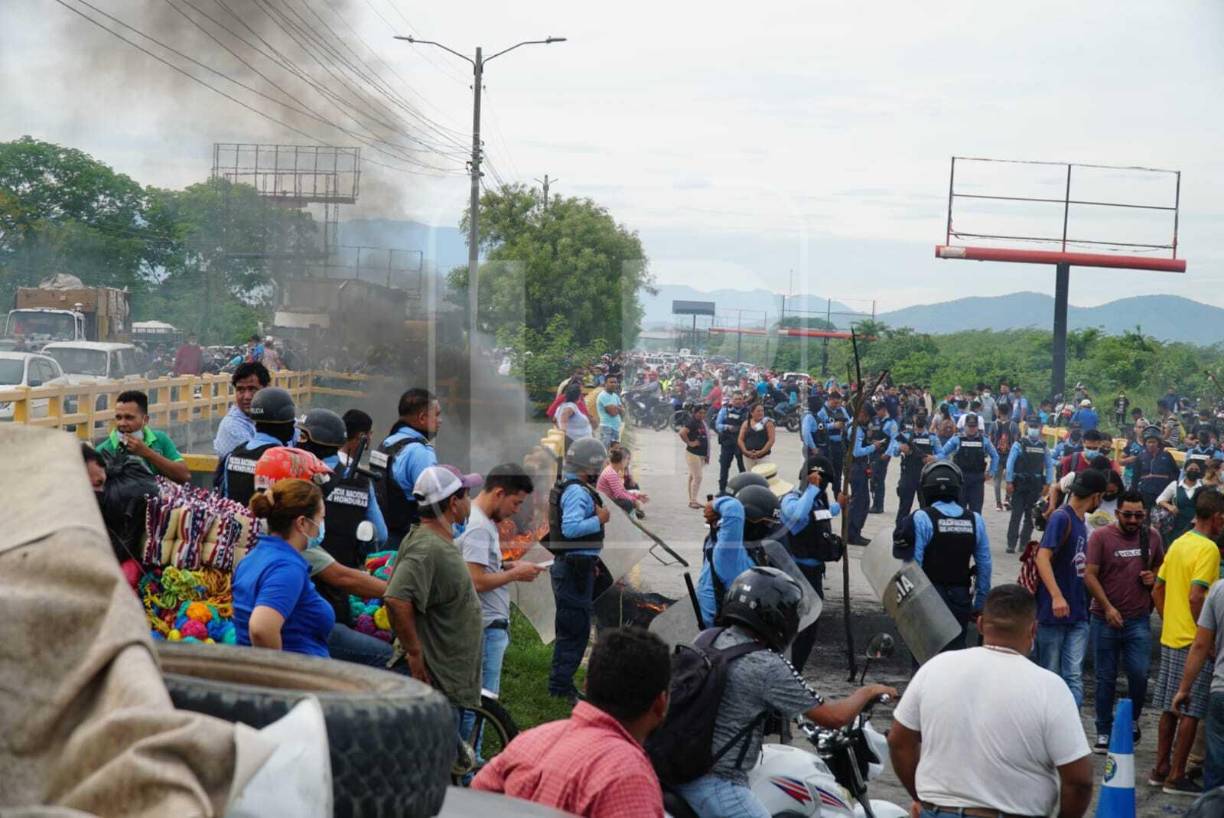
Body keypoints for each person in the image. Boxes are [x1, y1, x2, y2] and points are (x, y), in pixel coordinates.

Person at [674, 567, 897, 817]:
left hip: (675, 769)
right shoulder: (765, 664)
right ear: (777, 617)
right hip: (717, 781)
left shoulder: (707, 639)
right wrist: (869, 691)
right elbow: (834, 717)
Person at [887, 585, 1094, 818]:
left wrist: (921, 798)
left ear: (981, 624)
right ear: (1033, 629)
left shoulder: (936, 667)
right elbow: (1079, 781)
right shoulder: (1050, 687)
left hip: (939, 811)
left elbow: (898, 741)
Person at [472, 627, 670, 817]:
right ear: (660, 704)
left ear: (586, 684)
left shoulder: (530, 740)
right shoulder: (628, 777)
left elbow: (470, 802)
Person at [384, 465, 484, 719]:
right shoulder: (428, 547)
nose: (470, 501)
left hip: (448, 680)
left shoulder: (436, 541)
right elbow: (396, 598)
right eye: (467, 494)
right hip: (437, 682)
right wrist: (415, 652)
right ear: (453, 502)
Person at [459, 465, 546, 726]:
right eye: (516, 502)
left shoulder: (482, 522)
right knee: (481, 706)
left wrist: (509, 567)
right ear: (499, 493)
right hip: (485, 628)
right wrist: (515, 575)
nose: (516, 510)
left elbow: (480, 568)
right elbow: (476, 581)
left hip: (487, 626)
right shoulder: (479, 528)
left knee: (480, 704)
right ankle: (470, 763)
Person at [1149, 488, 1224, 794]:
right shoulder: (1208, 550)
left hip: (1171, 636)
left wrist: (1171, 619)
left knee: (1169, 707)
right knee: (1192, 710)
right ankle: (1176, 775)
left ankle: (1160, 767)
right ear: (1217, 517)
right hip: (1193, 641)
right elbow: (1197, 597)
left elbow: (1157, 588)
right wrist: (1204, 633)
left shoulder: (1179, 542)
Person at [1083, 489, 1164, 753]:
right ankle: (1104, 730)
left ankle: (1130, 721)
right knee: (1105, 678)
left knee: (1139, 675)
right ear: (1117, 513)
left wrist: (1153, 577)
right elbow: (1090, 576)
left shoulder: (1151, 537)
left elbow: (1159, 567)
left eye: (1138, 515)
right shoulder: (1101, 537)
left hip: (1138, 620)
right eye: (1127, 515)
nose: (1132, 520)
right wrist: (1107, 607)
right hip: (1104, 619)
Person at [894, 461, 991, 651]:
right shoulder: (975, 520)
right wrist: (980, 604)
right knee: (955, 656)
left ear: (926, 489)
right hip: (961, 597)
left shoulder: (921, 518)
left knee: (924, 656)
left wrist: (904, 606)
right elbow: (985, 566)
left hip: (928, 599)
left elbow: (913, 566)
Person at [234, 478, 335, 656]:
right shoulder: (287, 568)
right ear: (302, 523)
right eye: (321, 518)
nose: (321, 526)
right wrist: (277, 674)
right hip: (299, 677)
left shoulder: (254, 556)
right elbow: (261, 628)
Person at [1034, 468, 1105, 708]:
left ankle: (1068, 732)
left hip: (1078, 612)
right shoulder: (1061, 518)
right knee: (1050, 675)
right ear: (1096, 496)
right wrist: (1056, 597)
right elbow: (1042, 558)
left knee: (1073, 676)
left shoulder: (1080, 521)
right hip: (1054, 613)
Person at [547, 437, 611, 702]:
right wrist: (600, 519)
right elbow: (571, 529)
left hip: (578, 568)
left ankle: (562, 683)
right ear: (590, 465)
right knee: (574, 630)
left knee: (574, 627)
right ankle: (560, 688)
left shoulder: (573, 486)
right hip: (572, 572)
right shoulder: (575, 491)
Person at [780, 454, 846, 671]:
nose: (821, 485)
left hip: (815, 574)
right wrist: (810, 489)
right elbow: (798, 517)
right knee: (797, 630)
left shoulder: (818, 499)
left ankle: (796, 671)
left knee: (810, 631)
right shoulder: (792, 499)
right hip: (798, 575)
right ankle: (789, 671)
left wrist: (838, 506)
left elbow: (820, 515)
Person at [1172, 567, 1224, 792]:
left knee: (1216, 766)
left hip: (1221, 690)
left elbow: (1201, 645)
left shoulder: (1218, 590)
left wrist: (1184, 688)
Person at [373, 388, 441, 545]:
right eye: (436, 415)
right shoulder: (420, 452)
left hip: (380, 538)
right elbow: (434, 503)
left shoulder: (386, 444)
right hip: (408, 543)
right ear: (423, 418)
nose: (440, 420)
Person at [219, 386, 297, 506]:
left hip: (238, 522)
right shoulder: (287, 460)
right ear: (285, 424)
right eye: (291, 422)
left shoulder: (232, 455)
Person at [94, 389, 190, 484]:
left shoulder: (160, 439)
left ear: (145, 420)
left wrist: (147, 453)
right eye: (118, 418)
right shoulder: (103, 450)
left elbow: (184, 476)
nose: (122, 423)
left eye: (129, 417)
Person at [1003, 416, 1054, 553]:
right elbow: (1010, 463)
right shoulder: (1019, 444)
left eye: (1036, 426)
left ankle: (1024, 543)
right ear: (1026, 427)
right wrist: (1009, 481)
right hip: (1020, 484)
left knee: (1031, 516)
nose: (1034, 429)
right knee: (1016, 514)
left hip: (1035, 485)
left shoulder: (1043, 446)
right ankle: (1011, 543)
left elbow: (1049, 466)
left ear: (1040, 428)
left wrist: (1048, 484)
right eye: (1031, 426)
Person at [213, 361, 271, 457]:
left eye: (252, 389)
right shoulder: (232, 426)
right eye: (240, 390)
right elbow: (260, 460)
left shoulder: (273, 416)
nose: (247, 396)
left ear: (267, 389)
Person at [945, 414, 998, 514]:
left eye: (974, 426)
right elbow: (943, 453)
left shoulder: (985, 441)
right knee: (959, 511)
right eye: (969, 426)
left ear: (977, 427)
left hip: (977, 480)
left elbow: (995, 456)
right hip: (960, 479)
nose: (972, 429)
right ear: (965, 426)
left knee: (976, 512)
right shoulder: (956, 439)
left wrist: (991, 472)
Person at [847, 409, 886, 546]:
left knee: (861, 502)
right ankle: (852, 534)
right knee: (860, 502)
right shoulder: (856, 430)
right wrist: (873, 447)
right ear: (862, 414)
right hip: (856, 467)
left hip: (857, 467)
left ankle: (853, 533)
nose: (868, 420)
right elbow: (856, 452)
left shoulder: (853, 426)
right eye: (868, 416)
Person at [894, 425, 935, 526]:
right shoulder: (907, 435)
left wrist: (933, 458)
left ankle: (927, 529)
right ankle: (900, 530)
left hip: (925, 475)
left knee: (926, 507)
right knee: (904, 507)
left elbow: (943, 453)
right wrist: (901, 448)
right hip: (908, 475)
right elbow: (894, 451)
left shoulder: (932, 437)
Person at [1158, 458, 1208, 542]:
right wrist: (1169, 506)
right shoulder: (1175, 485)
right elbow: (1160, 500)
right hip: (1177, 526)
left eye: (1196, 469)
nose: (1194, 471)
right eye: (1191, 469)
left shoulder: (1204, 487)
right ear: (1185, 470)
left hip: (1197, 527)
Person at [1133, 426, 1179, 509]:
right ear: (1145, 443)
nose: (1151, 444)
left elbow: (1176, 473)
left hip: (1163, 493)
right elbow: (1135, 476)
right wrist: (1133, 492)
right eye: (1149, 442)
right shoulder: (1140, 457)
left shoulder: (1167, 456)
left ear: (1158, 442)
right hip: (1146, 492)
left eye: (1153, 442)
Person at [596, 447, 649, 516]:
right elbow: (619, 494)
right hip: (604, 503)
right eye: (627, 459)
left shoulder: (613, 470)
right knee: (628, 503)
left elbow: (622, 491)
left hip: (608, 500)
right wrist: (634, 500)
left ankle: (635, 514)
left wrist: (637, 496)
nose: (628, 462)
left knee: (631, 498)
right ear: (622, 460)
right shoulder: (611, 473)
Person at [868, 401, 899, 514]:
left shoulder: (891, 423)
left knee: (879, 479)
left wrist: (888, 453)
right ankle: (875, 503)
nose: (877, 412)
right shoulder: (875, 421)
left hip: (882, 455)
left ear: (884, 409)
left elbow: (894, 439)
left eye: (878, 410)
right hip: (873, 453)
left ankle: (878, 505)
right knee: (873, 479)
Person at [715, 391, 748, 494]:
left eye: (740, 399)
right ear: (731, 400)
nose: (738, 401)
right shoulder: (725, 410)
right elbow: (717, 425)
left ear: (743, 400)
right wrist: (727, 427)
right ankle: (722, 490)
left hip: (741, 444)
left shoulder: (747, 412)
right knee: (724, 467)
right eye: (736, 399)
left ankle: (744, 490)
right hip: (727, 443)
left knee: (743, 469)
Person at [680, 404, 710, 509]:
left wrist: (707, 454)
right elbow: (682, 433)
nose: (702, 415)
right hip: (693, 453)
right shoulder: (692, 422)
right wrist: (690, 443)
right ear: (695, 413)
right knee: (698, 477)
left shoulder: (702, 423)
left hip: (701, 454)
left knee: (693, 476)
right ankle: (693, 501)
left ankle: (692, 499)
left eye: (703, 413)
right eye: (700, 413)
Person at [556, 381, 594, 449]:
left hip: (580, 442)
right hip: (577, 444)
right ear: (579, 395)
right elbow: (564, 415)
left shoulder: (561, 407)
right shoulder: (571, 406)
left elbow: (554, 419)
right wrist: (563, 430)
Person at [737, 402, 775, 468]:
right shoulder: (746, 423)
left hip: (763, 457)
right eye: (758, 411)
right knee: (751, 476)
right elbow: (740, 439)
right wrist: (745, 451)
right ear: (752, 413)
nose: (761, 413)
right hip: (748, 457)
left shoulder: (768, 423)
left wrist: (761, 452)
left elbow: (771, 440)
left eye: (762, 411)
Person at [595, 375, 623, 447]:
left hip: (615, 428)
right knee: (605, 450)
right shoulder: (603, 395)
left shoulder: (615, 396)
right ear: (605, 383)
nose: (614, 384)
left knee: (614, 453)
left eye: (615, 382)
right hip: (607, 428)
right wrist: (618, 409)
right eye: (611, 382)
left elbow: (623, 411)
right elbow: (613, 413)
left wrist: (615, 407)